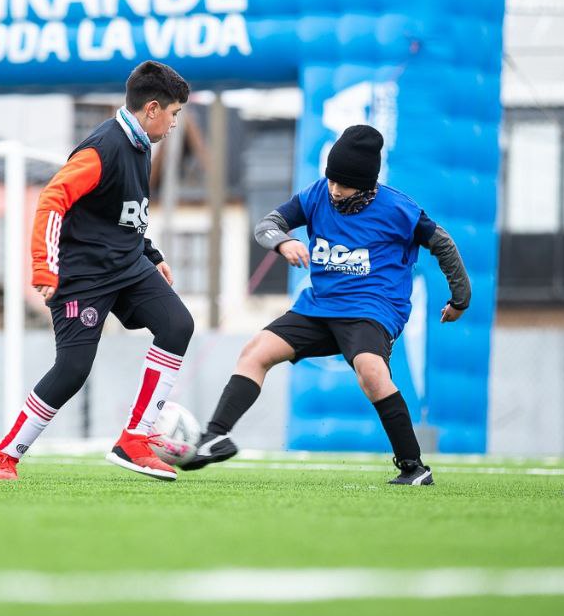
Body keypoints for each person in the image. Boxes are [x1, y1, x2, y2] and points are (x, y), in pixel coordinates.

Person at [184, 125, 470, 486]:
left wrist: (460, 299)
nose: (335, 190)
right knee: (256, 351)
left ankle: (413, 467)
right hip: (319, 307)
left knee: (371, 371)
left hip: (372, 307)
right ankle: (215, 436)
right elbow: (268, 224)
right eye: (332, 180)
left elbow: (443, 244)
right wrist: (282, 243)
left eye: (344, 184)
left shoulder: (399, 209)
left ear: (366, 184)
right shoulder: (317, 194)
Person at [0, 60, 195, 481]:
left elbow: (120, 214)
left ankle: (135, 437)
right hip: (84, 276)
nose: (174, 124)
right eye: (174, 114)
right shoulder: (103, 148)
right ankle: (3, 456)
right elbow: (52, 200)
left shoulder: (141, 145)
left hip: (129, 266)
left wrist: (150, 254)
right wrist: (44, 270)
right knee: (73, 370)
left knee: (177, 324)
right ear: (152, 109)